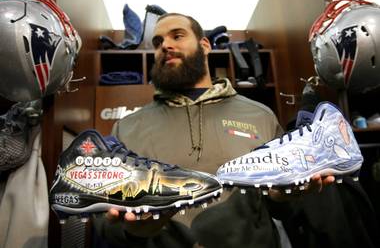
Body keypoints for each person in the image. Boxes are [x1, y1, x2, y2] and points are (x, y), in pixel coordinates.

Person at [92, 13, 378, 248]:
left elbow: (287, 211)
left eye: (177, 36)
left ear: (205, 45)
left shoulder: (260, 115)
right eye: (157, 41)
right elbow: (102, 223)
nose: (164, 45)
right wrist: (132, 232)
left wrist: (282, 198)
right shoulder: (126, 127)